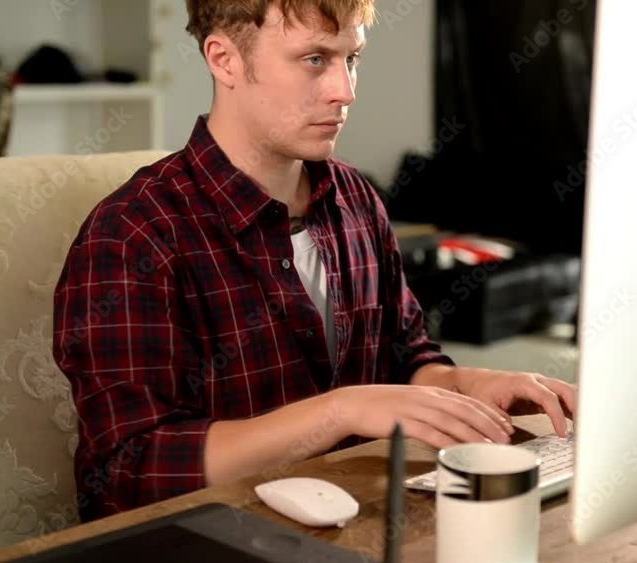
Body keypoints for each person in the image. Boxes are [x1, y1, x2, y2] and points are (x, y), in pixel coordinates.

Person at [52, 0, 577, 523]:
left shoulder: (356, 198)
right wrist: (339, 411)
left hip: (359, 525)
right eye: (314, 60)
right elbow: (129, 472)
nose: (344, 91)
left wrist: (470, 385)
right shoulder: (132, 234)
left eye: (352, 59)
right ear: (225, 60)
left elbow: (405, 358)